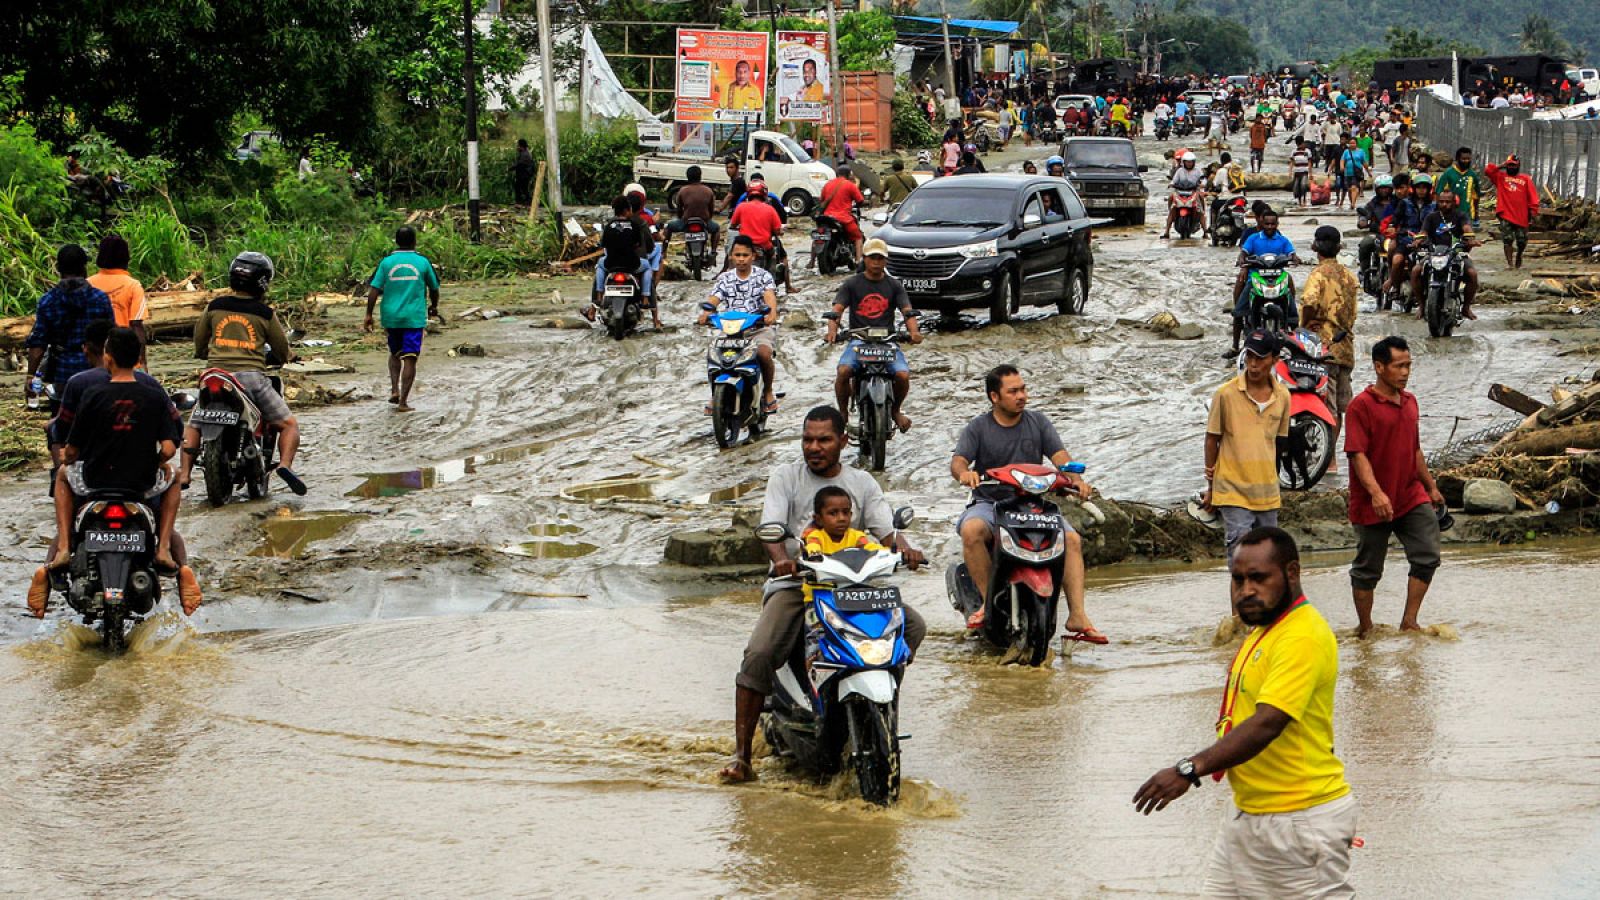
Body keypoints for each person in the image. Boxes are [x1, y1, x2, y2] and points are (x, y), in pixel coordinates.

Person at [1133, 527, 1357, 897]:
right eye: (1238, 580)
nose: (1246, 590)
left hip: (1297, 820)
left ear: (1292, 573)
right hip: (1250, 813)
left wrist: (1189, 769)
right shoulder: (1266, 629)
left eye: (1258, 578)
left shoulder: (1301, 636)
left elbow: (1268, 722)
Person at [718, 406, 926, 783]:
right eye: (808, 440)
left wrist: (907, 551)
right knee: (760, 654)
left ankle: (880, 707)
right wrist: (782, 561)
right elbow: (771, 527)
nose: (814, 447)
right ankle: (743, 757)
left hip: (855, 588)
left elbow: (887, 532)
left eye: (824, 440)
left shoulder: (862, 482)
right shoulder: (786, 477)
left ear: (843, 441)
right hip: (798, 586)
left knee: (912, 626)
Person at [29, 327, 204, 618]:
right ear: (138, 360)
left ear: (107, 358)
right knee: (174, 476)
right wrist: (158, 461)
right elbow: (169, 447)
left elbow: (71, 449)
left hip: (96, 481)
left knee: (62, 475)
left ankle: (62, 549)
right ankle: (163, 549)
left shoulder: (92, 394)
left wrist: (67, 457)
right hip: (140, 482)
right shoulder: (153, 393)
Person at [951, 364, 1105, 643]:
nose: (1022, 396)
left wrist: (1076, 480)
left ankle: (1078, 615)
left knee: (1071, 540)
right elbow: (959, 461)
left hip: (1033, 505)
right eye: (1013, 391)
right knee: (971, 531)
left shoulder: (1039, 422)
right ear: (994, 397)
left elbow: (1061, 458)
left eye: (1023, 389)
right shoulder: (978, 427)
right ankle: (987, 603)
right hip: (990, 503)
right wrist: (965, 474)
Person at [179, 252, 305, 496]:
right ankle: (284, 465)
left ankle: (184, 473)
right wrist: (284, 357)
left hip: (215, 375)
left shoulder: (215, 306)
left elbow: (199, 339)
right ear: (263, 282)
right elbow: (281, 349)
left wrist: (203, 353)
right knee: (289, 424)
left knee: (194, 424)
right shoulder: (265, 313)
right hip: (251, 379)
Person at [1345, 336, 1445, 638]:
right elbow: (1357, 454)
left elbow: (1415, 450)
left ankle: (1409, 621)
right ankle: (1366, 629)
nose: (1405, 372)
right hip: (1372, 501)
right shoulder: (1360, 406)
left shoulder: (1410, 402)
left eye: (1408, 366)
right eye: (1399, 366)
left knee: (1427, 554)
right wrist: (1376, 493)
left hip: (1409, 494)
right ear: (1379, 367)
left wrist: (1431, 487)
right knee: (1367, 569)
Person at [1203, 329, 1291, 567]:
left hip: (1267, 493)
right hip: (1233, 491)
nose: (1253, 364)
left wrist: (1278, 483)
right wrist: (1211, 488)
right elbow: (1211, 440)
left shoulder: (1283, 397)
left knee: (1269, 562)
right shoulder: (1225, 394)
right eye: (1249, 356)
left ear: (1274, 359)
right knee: (1241, 561)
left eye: (1260, 358)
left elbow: (1279, 444)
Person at [825, 239, 923, 433]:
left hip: (888, 342)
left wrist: (914, 332)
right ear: (864, 258)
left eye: (880, 258)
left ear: (886, 260)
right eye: (872, 258)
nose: (876, 262)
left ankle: (895, 410)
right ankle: (843, 414)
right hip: (859, 341)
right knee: (843, 371)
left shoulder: (894, 285)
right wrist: (832, 331)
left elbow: (907, 312)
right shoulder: (851, 284)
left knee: (902, 375)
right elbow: (837, 310)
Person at [25, 245, 115, 420]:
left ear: (59, 269)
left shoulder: (48, 301)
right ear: (84, 268)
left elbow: (38, 344)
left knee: (62, 420)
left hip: (62, 372)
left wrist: (31, 376)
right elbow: (112, 336)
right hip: (97, 369)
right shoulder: (100, 298)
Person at [701, 235, 780, 416]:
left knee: (764, 353)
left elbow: (769, 296)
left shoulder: (763, 276)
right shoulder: (724, 278)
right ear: (731, 256)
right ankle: (715, 394)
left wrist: (772, 313)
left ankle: (768, 391)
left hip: (758, 328)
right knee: (713, 355)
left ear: (753, 256)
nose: (741, 259)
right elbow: (715, 298)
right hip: (730, 330)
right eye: (737, 255)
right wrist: (706, 312)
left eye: (745, 255)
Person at [364, 226, 441, 411]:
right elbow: (434, 288)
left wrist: (368, 314)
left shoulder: (386, 262)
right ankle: (403, 402)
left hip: (391, 316)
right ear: (414, 241)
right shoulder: (423, 262)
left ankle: (394, 390)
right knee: (410, 358)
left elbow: (374, 290)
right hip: (414, 317)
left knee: (394, 353)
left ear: (396, 242)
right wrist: (434, 306)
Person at [1298, 226, 1359, 436]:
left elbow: (1309, 302)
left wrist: (1305, 325)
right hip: (1345, 347)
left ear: (1315, 247)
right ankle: (1332, 451)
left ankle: (1327, 453)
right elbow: (1352, 313)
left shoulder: (1318, 275)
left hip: (1323, 347)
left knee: (1326, 406)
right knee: (1340, 408)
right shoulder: (1349, 276)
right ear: (1339, 248)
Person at [1230, 209, 1298, 354]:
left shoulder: (1283, 240)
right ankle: (1235, 346)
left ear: (1277, 224)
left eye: (1273, 224)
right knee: (1239, 310)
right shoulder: (1253, 238)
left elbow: (1291, 253)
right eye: (1267, 224)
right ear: (1262, 223)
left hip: (1278, 277)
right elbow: (1244, 252)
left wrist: (1295, 258)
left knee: (1291, 303)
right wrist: (1242, 259)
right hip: (1255, 277)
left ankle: (1296, 339)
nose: (1270, 227)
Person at [1410, 189, 1481, 320]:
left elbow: (1467, 228)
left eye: (1448, 202)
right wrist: (1418, 240)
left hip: (1456, 253)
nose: (1444, 204)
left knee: (1472, 274)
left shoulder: (1461, 216)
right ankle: (1421, 305)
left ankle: (1466, 308)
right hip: (1434, 253)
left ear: (1454, 202)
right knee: (1415, 271)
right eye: (1441, 201)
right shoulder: (1431, 217)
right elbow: (1423, 232)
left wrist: (1470, 239)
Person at [587, 195, 652, 323]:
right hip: (632, 264)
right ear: (627, 210)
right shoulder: (634, 225)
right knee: (647, 267)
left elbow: (603, 245)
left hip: (611, 264)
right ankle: (645, 298)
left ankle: (599, 296)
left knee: (600, 265)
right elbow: (638, 245)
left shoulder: (609, 226)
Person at [88, 234, 149, 367]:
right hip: (124, 359)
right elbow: (136, 325)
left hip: (93, 358)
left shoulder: (88, 284)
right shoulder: (133, 285)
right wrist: (141, 360)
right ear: (126, 258)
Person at [1484, 154, 1539, 270]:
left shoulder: (1525, 179)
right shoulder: (1500, 177)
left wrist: (1533, 211)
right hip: (1505, 214)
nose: (1511, 167)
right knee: (1507, 239)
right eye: (1509, 165)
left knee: (1522, 240)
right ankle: (1510, 264)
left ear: (1518, 166)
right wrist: (1501, 165)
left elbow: (1533, 197)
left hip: (1521, 215)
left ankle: (1519, 254)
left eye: (1514, 165)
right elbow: (1488, 170)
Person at [801, 486, 884, 556]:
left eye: (845, 512)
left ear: (851, 515)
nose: (842, 518)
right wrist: (814, 554)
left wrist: (883, 552)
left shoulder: (856, 537)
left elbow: (869, 546)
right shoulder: (816, 537)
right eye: (833, 513)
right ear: (819, 519)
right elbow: (813, 547)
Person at [663, 165, 722, 254]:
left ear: (688, 177)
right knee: (716, 229)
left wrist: (681, 218)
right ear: (700, 176)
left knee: (669, 227)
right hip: (704, 222)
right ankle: (713, 251)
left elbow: (679, 209)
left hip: (686, 221)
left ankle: (663, 251)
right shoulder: (708, 191)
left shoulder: (682, 191)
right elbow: (711, 209)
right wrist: (708, 219)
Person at [818, 165, 865, 264]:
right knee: (858, 237)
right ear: (848, 174)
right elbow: (860, 200)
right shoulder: (850, 185)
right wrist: (856, 205)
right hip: (843, 218)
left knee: (819, 236)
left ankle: (812, 261)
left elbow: (821, 200)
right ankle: (858, 261)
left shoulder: (827, 184)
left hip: (826, 218)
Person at [1161, 151, 1206, 239]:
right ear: (1184, 162)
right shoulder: (1180, 171)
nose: (1189, 164)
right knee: (1171, 201)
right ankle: (1167, 231)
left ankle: (1205, 232)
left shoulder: (1197, 171)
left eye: (1191, 162)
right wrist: (1171, 184)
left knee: (1200, 207)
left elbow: (1203, 180)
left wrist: (1202, 184)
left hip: (1193, 192)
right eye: (1187, 162)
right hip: (1180, 192)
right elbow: (1174, 180)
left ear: (1194, 162)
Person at [1436, 147, 1486, 223]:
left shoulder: (1472, 175)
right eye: (1463, 159)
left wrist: (1476, 213)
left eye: (1468, 159)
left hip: (1467, 215)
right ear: (1457, 159)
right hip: (1450, 214)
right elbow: (1438, 193)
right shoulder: (1448, 174)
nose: (1466, 161)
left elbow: (1476, 196)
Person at [1337, 135, 1369, 209]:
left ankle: (1353, 204)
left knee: (1354, 187)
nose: (1352, 144)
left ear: (1356, 144)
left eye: (1353, 143)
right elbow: (1342, 160)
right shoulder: (1346, 151)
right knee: (1349, 189)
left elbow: (1364, 162)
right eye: (1350, 143)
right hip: (1347, 173)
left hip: (1356, 173)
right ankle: (1352, 202)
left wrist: (1368, 171)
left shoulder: (1361, 151)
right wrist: (1342, 166)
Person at [1289, 137, 1314, 206]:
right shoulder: (1294, 152)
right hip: (1297, 172)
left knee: (1303, 185)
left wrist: (1310, 173)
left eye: (1302, 144)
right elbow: (1291, 162)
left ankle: (1304, 198)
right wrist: (1290, 172)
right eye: (1299, 144)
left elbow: (1309, 162)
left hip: (1304, 172)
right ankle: (1300, 201)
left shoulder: (1307, 151)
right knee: (1296, 187)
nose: (1301, 145)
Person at [512, 139, 535, 206]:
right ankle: (524, 202)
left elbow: (519, 164)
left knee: (521, 188)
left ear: (521, 146)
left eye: (518, 146)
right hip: (523, 174)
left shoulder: (525, 154)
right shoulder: (524, 153)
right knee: (522, 188)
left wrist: (510, 168)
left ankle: (522, 202)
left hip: (524, 175)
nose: (517, 147)